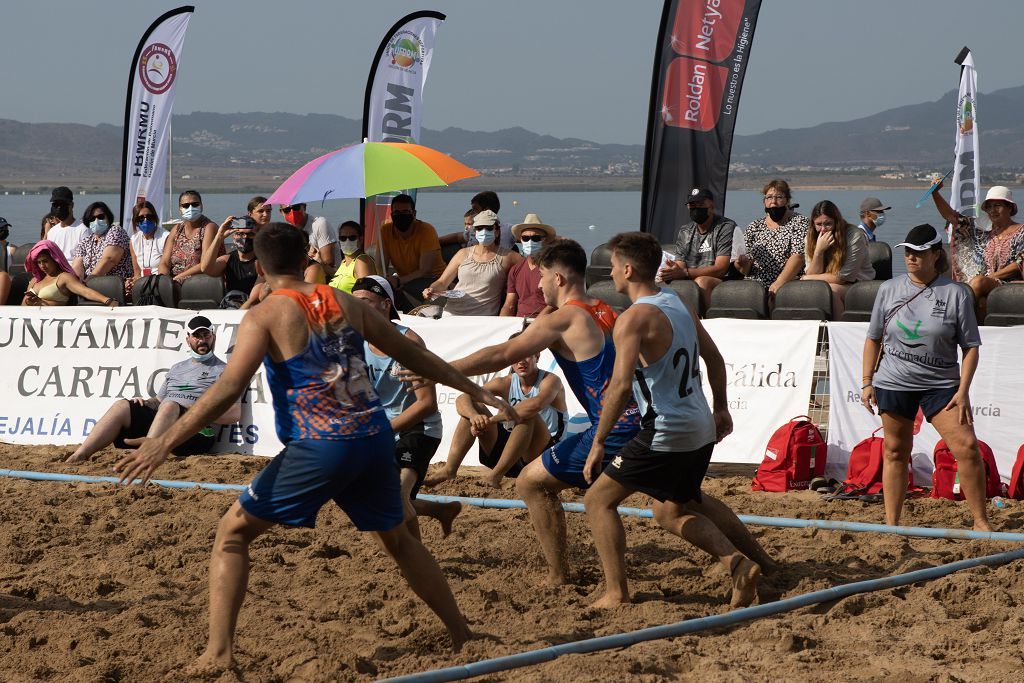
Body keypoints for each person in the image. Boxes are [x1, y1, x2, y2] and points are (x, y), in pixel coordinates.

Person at [113, 222, 515, 671]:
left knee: (232, 534)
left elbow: (228, 387)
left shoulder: (265, 314)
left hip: (322, 444)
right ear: (307, 254)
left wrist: (162, 441)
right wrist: (468, 385)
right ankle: (462, 633)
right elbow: (413, 354)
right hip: (373, 435)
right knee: (400, 540)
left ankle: (219, 652)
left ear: (259, 265)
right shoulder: (343, 300)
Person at [582, 232, 769, 609]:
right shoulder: (678, 300)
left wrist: (600, 440)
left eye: (615, 266)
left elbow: (619, 386)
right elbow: (713, 357)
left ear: (629, 269)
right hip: (699, 424)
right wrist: (721, 408)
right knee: (672, 509)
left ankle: (617, 593)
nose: (612, 272)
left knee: (597, 500)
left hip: (667, 428)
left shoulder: (633, 319)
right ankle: (746, 563)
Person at [439, 238, 642, 584]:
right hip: (636, 421)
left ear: (559, 279)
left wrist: (438, 368)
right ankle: (745, 560)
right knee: (677, 506)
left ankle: (559, 575)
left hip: (613, 428)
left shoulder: (564, 319)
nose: (539, 286)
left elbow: (501, 354)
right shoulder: (605, 308)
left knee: (534, 484)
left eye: (543, 278)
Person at [860, 224, 991, 532]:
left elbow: (970, 347)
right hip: (894, 381)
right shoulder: (888, 290)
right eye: (907, 252)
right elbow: (873, 338)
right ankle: (892, 524)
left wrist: (964, 390)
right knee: (894, 451)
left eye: (919, 253)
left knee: (967, 448)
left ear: (935, 255)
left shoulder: (957, 293)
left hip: (941, 385)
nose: (911, 258)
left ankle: (981, 522)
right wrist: (867, 381)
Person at [351, 275, 462, 539]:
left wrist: (383, 430)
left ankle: (417, 562)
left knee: (398, 497)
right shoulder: (354, 341)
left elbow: (427, 404)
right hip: (384, 427)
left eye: (366, 302)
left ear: (385, 304)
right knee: (375, 498)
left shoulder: (407, 342)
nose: (358, 309)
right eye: (354, 303)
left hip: (419, 428)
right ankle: (439, 511)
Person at [66, 316, 239, 463]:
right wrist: (146, 402)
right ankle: (80, 455)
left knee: (170, 405)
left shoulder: (225, 370)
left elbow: (234, 414)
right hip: (166, 420)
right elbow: (158, 401)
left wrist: (197, 411)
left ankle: (145, 456)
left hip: (198, 432)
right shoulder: (177, 367)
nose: (202, 340)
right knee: (123, 405)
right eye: (196, 336)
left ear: (213, 337)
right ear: (188, 339)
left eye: (205, 335)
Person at [426, 336, 567, 488]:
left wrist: (490, 420)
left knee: (527, 416)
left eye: (526, 355)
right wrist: (475, 417)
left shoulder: (551, 381)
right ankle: (449, 469)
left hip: (545, 456)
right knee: (474, 408)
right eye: (516, 356)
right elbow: (462, 398)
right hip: (512, 454)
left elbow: (533, 406)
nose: (521, 361)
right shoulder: (504, 382)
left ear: (537, 356)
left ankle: (494, 477)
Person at [931, 182, 1024, 320]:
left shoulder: (1021, 231)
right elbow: (952, 217)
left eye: (997, 205)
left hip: (1011, 285)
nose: (992, 210)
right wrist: (935, 193)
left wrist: (991, 277)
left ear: (1010, 208)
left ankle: (948, 320)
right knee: (981, 303)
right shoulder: (983, 232)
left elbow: (1019, 263)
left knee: (978, 282)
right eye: (989, 207)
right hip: (985, 284)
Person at [423, 210, 521, 316]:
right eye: (479, 228)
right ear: (475, 231)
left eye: (488, 228)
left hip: (483, 318)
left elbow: (530, 267)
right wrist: (431, 289)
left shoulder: (508, 256)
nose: (484, 231)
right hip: (452, 312)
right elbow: (442, 282)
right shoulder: (462, 253)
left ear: (496, 232)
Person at [659, 187, 736, 309]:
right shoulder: (685, 231)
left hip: (721, 281)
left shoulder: (725, 227)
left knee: (701, 281)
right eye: (692, 205)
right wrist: (671, 270)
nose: (696, 209)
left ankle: (708, 321)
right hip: (690, 279)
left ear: (711, 206)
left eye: (700, 204)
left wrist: (684, 273)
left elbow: (720, 269)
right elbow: (680, 264)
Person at [801, 200, 875, 317]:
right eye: (819, 224)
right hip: (826, 282)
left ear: (836, 222)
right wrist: (819, 252)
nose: (823, 229)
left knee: (830, 291)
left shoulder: (854, 235)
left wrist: (807, 278)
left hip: (860, 285)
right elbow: (812, 277)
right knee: (812, 290)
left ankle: (839, 329)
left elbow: (844, 277)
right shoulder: (810, 238)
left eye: (828, 224)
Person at [739, 179, 809, 302]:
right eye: (769, 197)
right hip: (755, 283)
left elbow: (798, 257)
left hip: (788, 281)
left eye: (779, 197)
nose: (774, 202)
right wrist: (741, 262)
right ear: (764, 202)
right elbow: (745, 268)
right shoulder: (754, 226)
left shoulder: (800, 222)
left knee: (775, 296)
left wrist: (779, 282)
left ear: (787, 200)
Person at [380, 194, 446, 311]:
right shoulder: (385, 231)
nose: (401, 216)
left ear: (414, 214)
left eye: (405, 211)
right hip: (405, 281)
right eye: (397, 212)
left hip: (433, 280)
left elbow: (425, 270)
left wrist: (398, 281)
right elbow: (380, 265)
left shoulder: (426, 230)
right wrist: (386, 280)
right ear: (391, 215)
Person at [22, 240, 118, 307]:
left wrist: (107, 300)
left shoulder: (64, 277)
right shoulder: (34, 281)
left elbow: (85, 291)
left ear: (55, 259)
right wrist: (28, 302)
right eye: (39, 262)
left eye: (45, 261)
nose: (42, 266)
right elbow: (22, 306)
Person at [501, 214, 557, 318]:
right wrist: (500, 325)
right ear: (521, 240)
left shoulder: (553, 268)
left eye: (536, 238)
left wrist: (537, 323)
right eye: (525, 238)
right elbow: (509, 304)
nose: (530, 242)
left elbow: (556, 304)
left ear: (545, 240)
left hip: (545, 322)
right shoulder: (515, 270)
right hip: (519, 322)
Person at [160, 190, 221, 284]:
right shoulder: (176, 229)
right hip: (173, 283)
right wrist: (164, 280)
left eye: (195, 204)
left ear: (201, 206)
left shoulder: (209, 227)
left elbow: (205, 264)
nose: (191, 208)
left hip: (200, 282)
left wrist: (177, 279)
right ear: (180, 209)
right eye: (186, 205)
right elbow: (164, 262)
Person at [71, 201, 132, 282]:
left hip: (115, 286)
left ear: (108, 217)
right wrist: (78, 283)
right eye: (92, 218)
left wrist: (88, 281)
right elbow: (77, 266)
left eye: (100, 217)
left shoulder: (115, 231)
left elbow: (109, 259)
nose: (96, 220)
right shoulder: (85, 242)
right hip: (90, 286)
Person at [201, 215, 260, 296]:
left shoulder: (262, 260)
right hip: (232, 305)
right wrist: (219, 236)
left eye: (250, 234)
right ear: (233, 236)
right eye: (241, 234)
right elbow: (205, 268)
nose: (245, 238)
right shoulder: (227, 259)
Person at [279, 202, 339, 276]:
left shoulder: (319, 224)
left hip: (328, 276)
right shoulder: (287, 231)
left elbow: (329, 262)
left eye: (296, 208)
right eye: (287, 210)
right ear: (281, 212)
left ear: (304, 207)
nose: (292, 212)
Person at [128, 202, 170, 287]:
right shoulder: (134, 240)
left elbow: (165, 267)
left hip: (160, 283)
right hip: (142, 284)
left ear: (155, 218)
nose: (145, 220)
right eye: (141, 218)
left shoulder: (165, 237)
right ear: (136, 221)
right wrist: (133, 282)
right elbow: (137, 273)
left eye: (149, 217)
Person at [328, 221, 376, 293]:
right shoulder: (343, 263)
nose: (347, 241)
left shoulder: (361, 261)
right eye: (343, 238)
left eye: (352, 238)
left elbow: (365, 294)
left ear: (360, 239)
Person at [44, 186, 88, 261]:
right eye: (55, 204)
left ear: (72, 205)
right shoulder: (52, 232)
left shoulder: (83, 231)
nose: (59, 208)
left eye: (62, 204)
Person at [0, 217, 14, 304]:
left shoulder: (12, 248)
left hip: (6, 282)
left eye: (6, 228)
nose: (5, 230)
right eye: (2, 228)